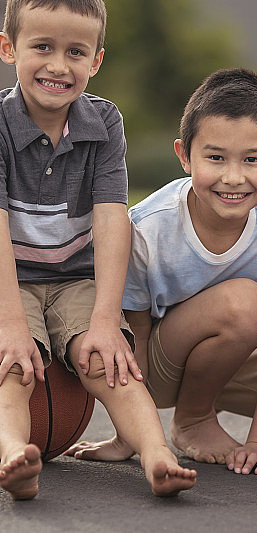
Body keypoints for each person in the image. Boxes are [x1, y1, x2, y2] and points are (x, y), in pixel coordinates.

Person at [66, 68, 257, 477]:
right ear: (185, 155)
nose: (234, 177)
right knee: (245, 302)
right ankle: (192, 419)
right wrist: (129, 435)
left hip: (238, 354)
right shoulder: (148, 227)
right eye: (216, 157)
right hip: (159, 363)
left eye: (253, 159)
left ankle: (209, 406)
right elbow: (133, 332)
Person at [0, 0, 196, 500]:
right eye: (42, 47)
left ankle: (157, 455)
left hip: (74, 279)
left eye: (76, 52)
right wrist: (10, 324)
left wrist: (107, 319)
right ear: (8, 49)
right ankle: (12, 456)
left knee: (110, 362)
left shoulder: (104, 123)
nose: (58, 65)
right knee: (16, 365)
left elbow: (112, 218)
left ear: (96, 61)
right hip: (11, 279)